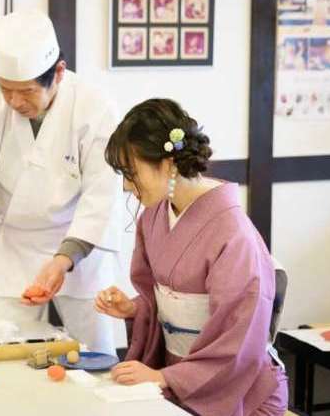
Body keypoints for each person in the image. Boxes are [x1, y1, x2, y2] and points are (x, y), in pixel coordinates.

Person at [0, 10, 122, 355]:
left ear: (58, 73)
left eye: (27, 92)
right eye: (6, 90)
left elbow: (101, 197)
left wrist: (63, 259)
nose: (15, 102)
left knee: (95, 359)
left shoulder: (94, 108)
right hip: (15, 248)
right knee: (1, 350)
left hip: (80, 246)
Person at [94, 99, 288, 415]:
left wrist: (163, 377)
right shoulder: (153, 217)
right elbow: (167, 302)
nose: (127, 185)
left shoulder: (233, 232)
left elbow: (240, 337)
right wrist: (135, 308)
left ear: (169, 163)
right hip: (177, 383)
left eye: (132, 173)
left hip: (239, 390)